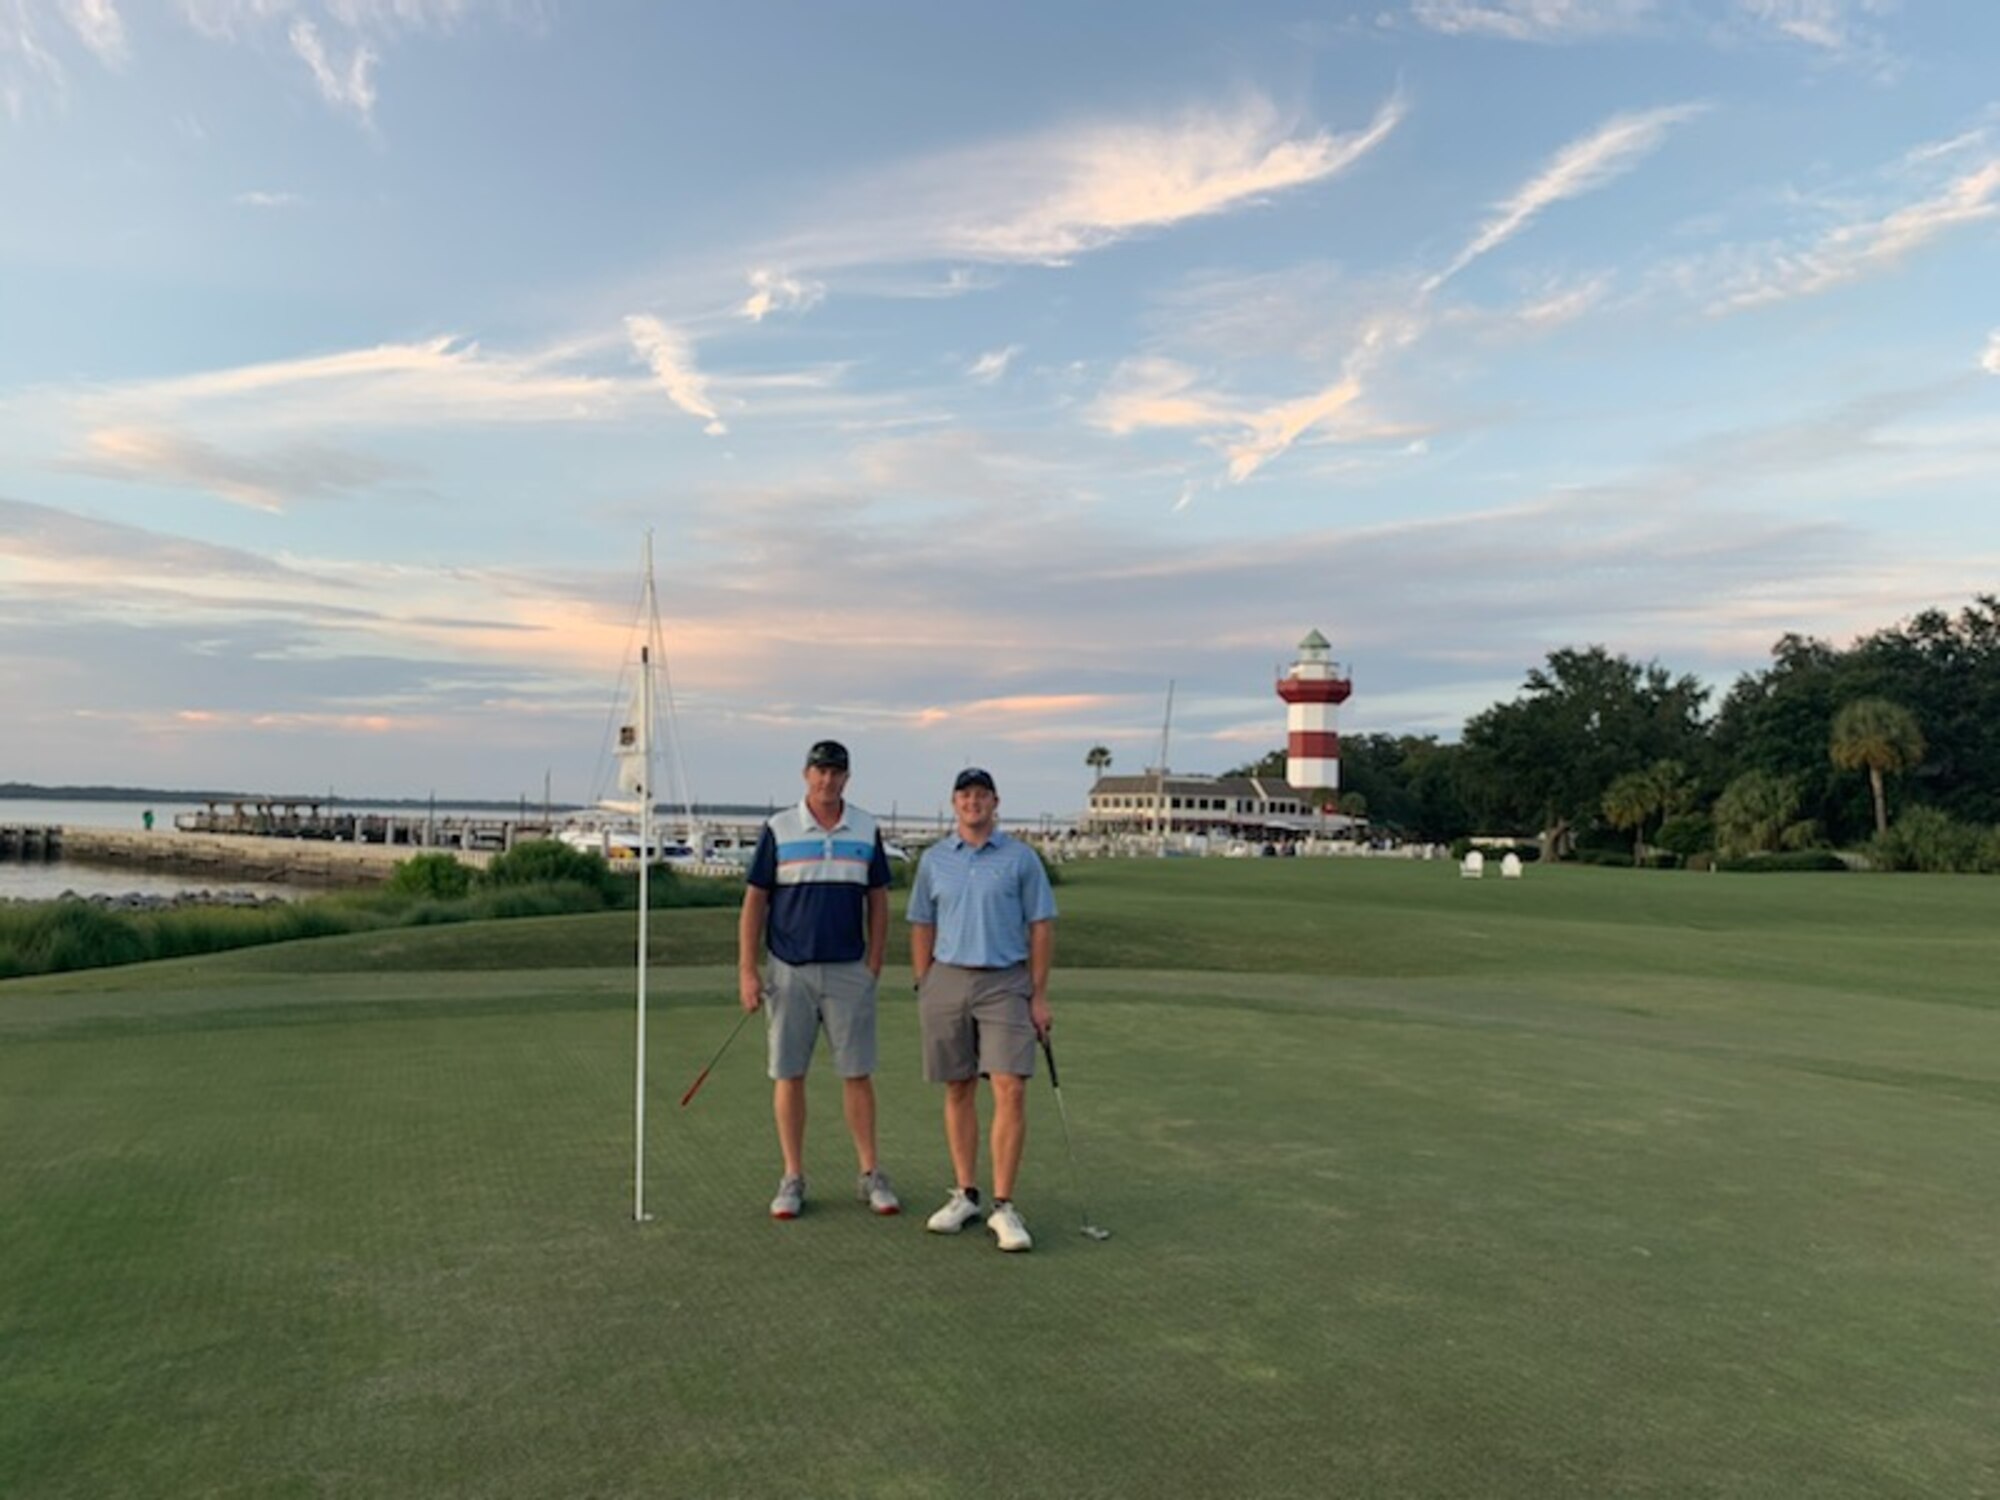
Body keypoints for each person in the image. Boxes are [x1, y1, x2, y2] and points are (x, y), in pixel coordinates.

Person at [738, 739, 900, 1221]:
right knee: (789, 1073)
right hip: (789, 968)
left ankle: (870, 1173)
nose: (827, 780)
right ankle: (792, 1176)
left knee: (857, 1073)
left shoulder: (865, 827)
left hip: (849, 968)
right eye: (820, 771)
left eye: (836, 773)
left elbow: (878, 899)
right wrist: (748, 969)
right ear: (806, 774)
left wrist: (873, 962)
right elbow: (755, 901)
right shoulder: (780, 827)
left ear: (847, 778)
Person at [907, 767, 1057, 1252]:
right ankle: (965, 1193)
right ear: (954, 803)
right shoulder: (934, 860)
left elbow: (1040, 926)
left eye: (981, 795)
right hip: (947, 979)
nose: (973, 803)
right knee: (958, 1086)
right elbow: (921, 921)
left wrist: (1037, 994)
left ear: (995, 802)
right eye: (965, 795)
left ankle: (1004, 1205)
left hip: (1005, 981)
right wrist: (924, 980)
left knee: (1010, 1088)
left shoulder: (1020, 859)